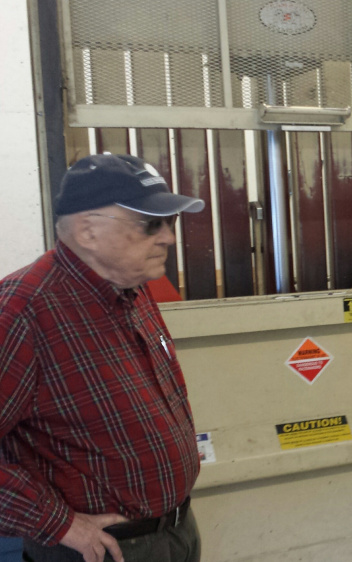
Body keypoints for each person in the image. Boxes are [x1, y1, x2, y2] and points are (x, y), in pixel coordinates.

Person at [0, 154, 206, 562]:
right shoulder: (22, 313)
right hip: (101, 548)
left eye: (171, 222)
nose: (168, 237)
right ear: (89, 231)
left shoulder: (133, 288)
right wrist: (56, 523)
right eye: (151, 223)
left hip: (175, 530)